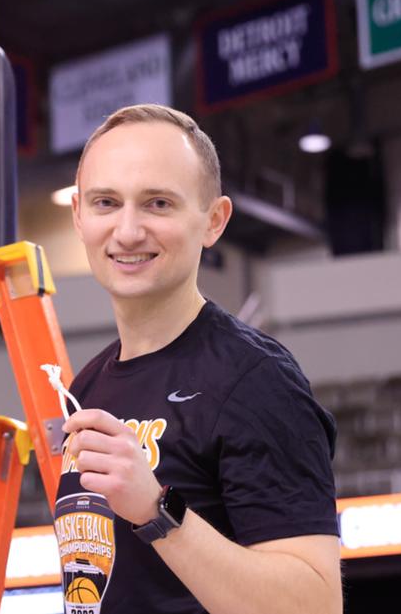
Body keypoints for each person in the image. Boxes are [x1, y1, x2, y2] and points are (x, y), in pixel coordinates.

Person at [54, 104, 342, 614]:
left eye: (158, 203)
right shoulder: (90, 384)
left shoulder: (257, 381)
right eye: (105, 203)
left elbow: (315, 605)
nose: (126, 231)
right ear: (78, 215)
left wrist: (157, 512)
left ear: (213, 220)